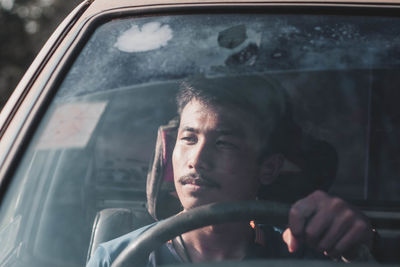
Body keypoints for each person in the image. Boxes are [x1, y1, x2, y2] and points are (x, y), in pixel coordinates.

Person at [87, 75, 375, 266]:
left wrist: (356, 249)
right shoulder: (117, 259)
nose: (197, 160)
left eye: (224, 143)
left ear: (268, 168)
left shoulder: (299, 257)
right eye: (189, 139)